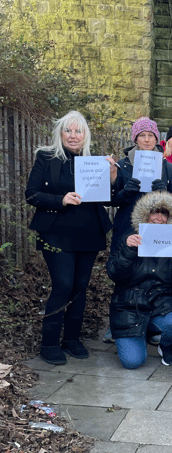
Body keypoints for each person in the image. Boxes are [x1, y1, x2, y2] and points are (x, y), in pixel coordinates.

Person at [25, 110, 117, 365]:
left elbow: (111, 197)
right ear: (60, 133)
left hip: (88, 233)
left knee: (80, 286)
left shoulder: (94, 161)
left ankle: (72, 339)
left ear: (85, 135)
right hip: (56, 232)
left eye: (79, 131)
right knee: (63, 284)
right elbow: (31, 194)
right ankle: (49, 342)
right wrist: (61, 199)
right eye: (68, 130)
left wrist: (112, 178)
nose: (73, 136)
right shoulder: (46, 157)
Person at [106, 191, 172, 369]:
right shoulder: (129, 238)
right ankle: (137, 335)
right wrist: (128, 250)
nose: (159, 218)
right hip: (129, 305)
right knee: (133, 362)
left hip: (161, 301)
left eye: (164, 214)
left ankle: (165, 343)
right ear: (145, 215)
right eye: (154, 212)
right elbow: (114, 274)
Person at [110, 117, 172, 254]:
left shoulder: (168, 168)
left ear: (156, 139)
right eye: (142, 135)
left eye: (151, 135)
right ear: (136, 139)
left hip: (158, 229)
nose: (147, 140)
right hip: (127, 228)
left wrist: (165, 196)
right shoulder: (123, 165)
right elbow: (112, 200)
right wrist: (125, 193)